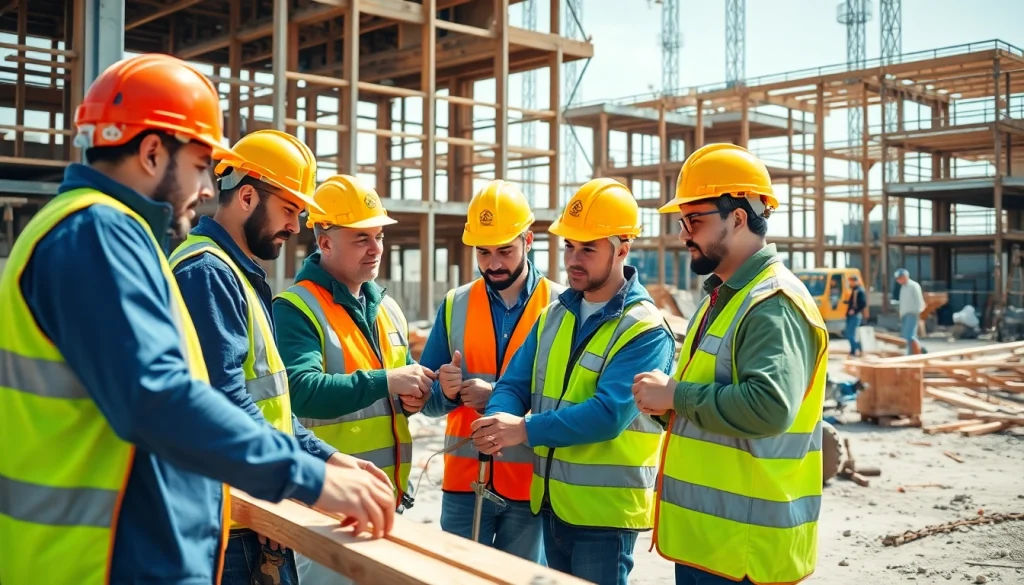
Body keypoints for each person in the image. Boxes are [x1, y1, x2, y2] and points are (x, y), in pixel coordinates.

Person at [0, 54, 394, 585]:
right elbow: (158, 398)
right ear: (152, 151)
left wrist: (318, 460)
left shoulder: (106, 235)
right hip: (93, 561)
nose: (208, 189)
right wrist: (308, 477)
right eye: (199, 165)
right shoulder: (95, 233)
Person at [168, 129, 392, 585]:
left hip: (251, 506)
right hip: (227, 522)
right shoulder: (208, 274)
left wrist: (328, 459)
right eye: (290, 209)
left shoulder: (236, 273)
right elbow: (227, 406)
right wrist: (311, 481)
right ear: (247, 197)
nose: (296, 225)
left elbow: (270, 410)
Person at [631, 143, 828, 585]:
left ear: (739, 218)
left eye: (695, 220)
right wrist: (668, 405)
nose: (684, 233)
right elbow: (714, 398)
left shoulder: (773, 303)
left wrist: (676, 395)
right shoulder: (722, 297)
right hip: (712, 544)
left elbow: (769, 408)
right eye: (683, 222)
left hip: (745, 552)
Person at [470, 178, 676, 585]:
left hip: (605, 516)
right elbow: (514, 384)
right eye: (568, 246)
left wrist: (522, 429)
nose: (573, 259)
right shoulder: (555, 315)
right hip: (552, 503)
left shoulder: (645, 329)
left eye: (588, 248)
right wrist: (497, 421)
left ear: (622, 249)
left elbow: (607, 415)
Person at [271, 174, 435, 584]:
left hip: (384, 500)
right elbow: (302, 392)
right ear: (324, 242)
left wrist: (410, 397)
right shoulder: (296, 308)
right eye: (361, 238)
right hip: (329, 507)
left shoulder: (387, 308)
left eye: (378, 236)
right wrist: (387, 381)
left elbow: (391, 392)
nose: (376, 248)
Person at [418, 179, 564, 564]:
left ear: (528, 241)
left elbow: (568, 397)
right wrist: (445, 393)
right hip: (465, 482)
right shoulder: (455, 305)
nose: (493, 264)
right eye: (483, 252)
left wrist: (496, 393)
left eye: (505, 250)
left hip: (531, 486)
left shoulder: (561, 307)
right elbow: (426, 403)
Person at [895, 268, 927, 354]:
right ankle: (918, 351)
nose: (898, 280)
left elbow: (918, 300)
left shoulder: (913, 286)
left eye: (899, 278)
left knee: (910, 335)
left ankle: (912, 353)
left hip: (912, 313)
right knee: (907, 335)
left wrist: (918, 311)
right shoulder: (903, 288)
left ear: (905, 276)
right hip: (905, 314)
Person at [845, 273, 867, 356]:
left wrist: (855, 311)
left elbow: (863, 304)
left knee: (850, 334)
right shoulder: (854, 290)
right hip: (851, 315)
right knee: (850, 334)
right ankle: (856, 349)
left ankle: (855, 350)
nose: (850, 283)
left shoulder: (859, 291)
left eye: (851, 281)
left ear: (855, 281)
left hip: (855, 316)